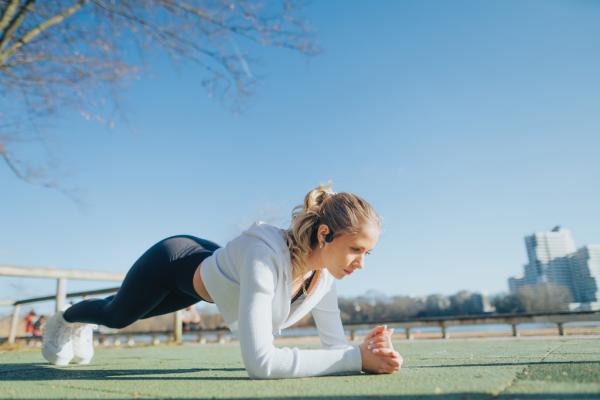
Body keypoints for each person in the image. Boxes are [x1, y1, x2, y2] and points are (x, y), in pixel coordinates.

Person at [42, 184, 402, 378]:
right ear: (325, 234)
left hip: (206, 283)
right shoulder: (263, 257)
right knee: (117, 315)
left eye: (367, 253)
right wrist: (356, 359)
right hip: (173, 262)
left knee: (132, 314)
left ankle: (75, 323)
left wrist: (366, 352)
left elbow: (335, 349)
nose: (361, 263)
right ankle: (63, 319)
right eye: (356, 249)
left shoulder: (323, 279)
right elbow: (260, 365)